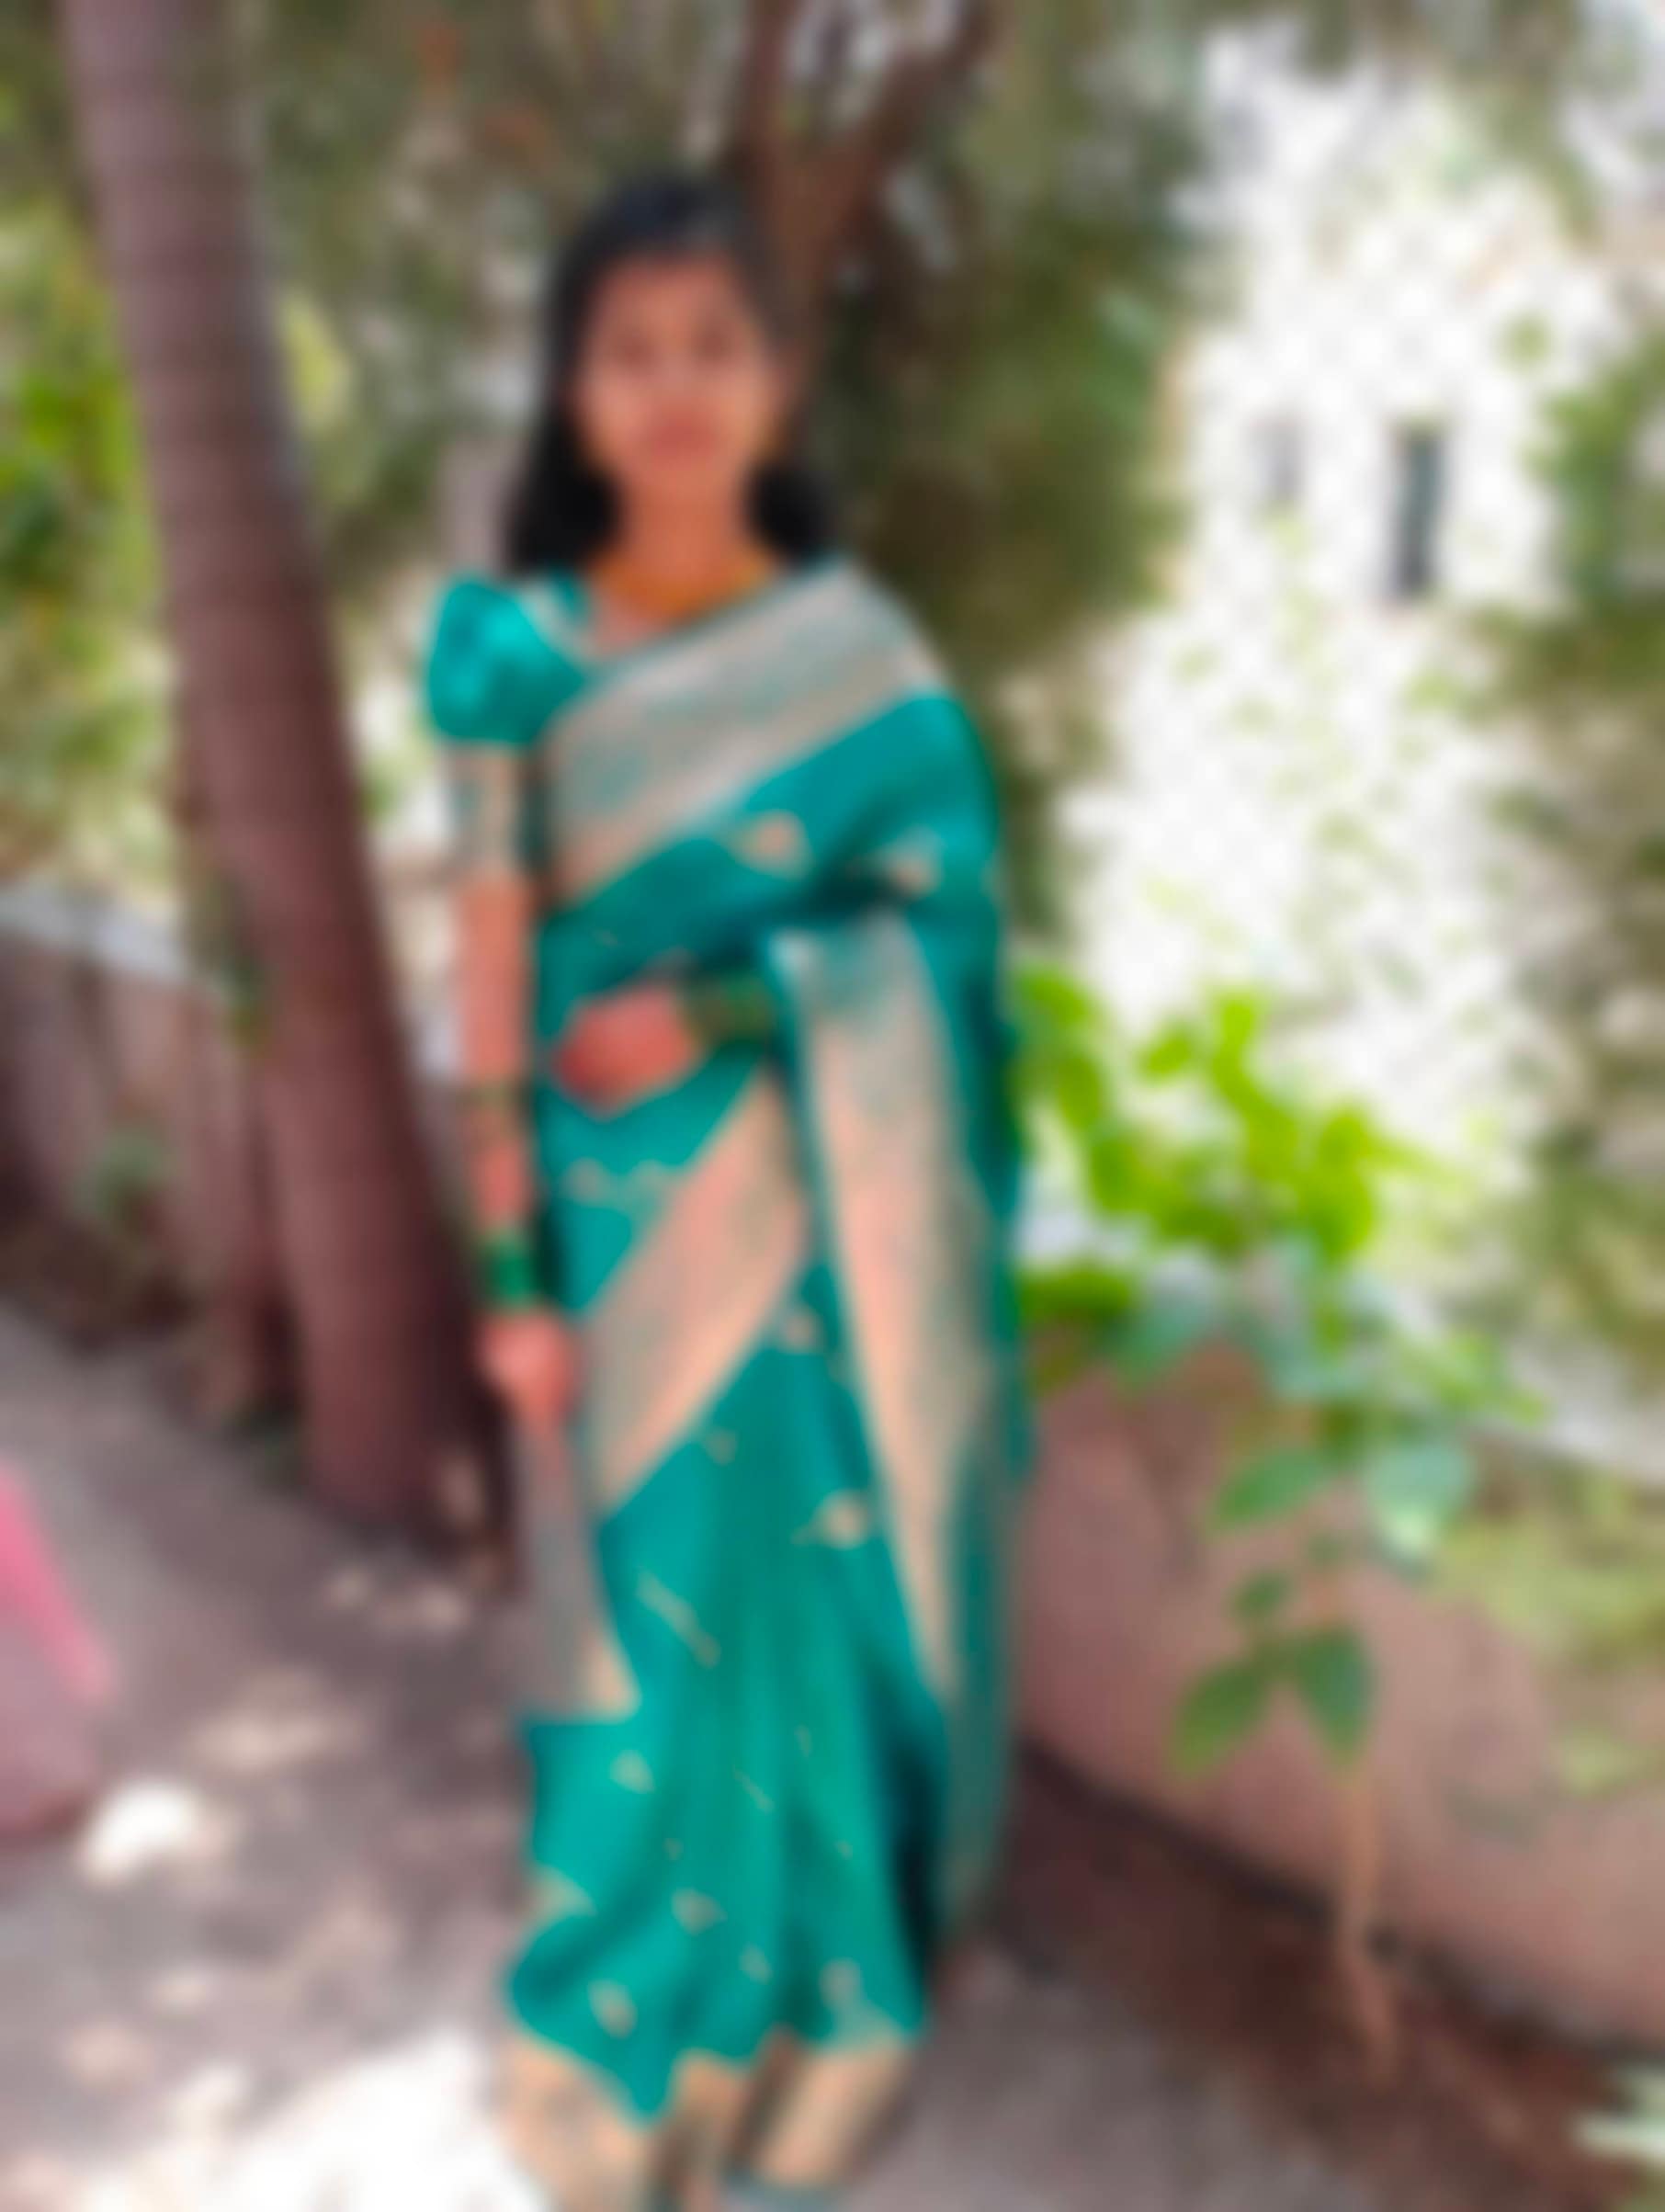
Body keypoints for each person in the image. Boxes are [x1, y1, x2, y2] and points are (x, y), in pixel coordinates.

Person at [422, 167, 1030, 2210]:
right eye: (630, 352)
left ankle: (815, 2015)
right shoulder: (512, 652)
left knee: (816, 1626)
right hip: (617, 1240)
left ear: (777, 383)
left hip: (826, 1230)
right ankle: (636, 2046)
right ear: (572, 394)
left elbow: (946, 951)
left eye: (714, 347)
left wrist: (733, 1008)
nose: (674, 390)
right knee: (640, 1646)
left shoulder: (867, 668)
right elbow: (486, 970)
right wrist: (507, 1270)